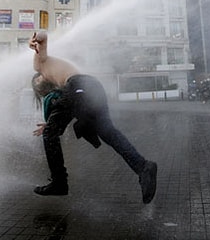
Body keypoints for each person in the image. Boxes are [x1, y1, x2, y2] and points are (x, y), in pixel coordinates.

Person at [29, 31, 158, 204]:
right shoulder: (61, 85)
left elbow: (43, 40)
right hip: (92, 86)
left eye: (35, 82)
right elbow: (69, 108)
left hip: (79, 85)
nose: (37, 84)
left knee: (51, 133)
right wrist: (52, 124)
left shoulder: (41, 66)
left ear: (38, 78)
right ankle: (143, 167)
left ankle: (59, 182)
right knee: (108, 133)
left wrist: (38, 39)